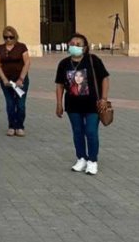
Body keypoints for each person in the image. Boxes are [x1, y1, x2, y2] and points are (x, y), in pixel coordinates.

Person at [55, 33, 110, 176]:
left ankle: (92, 160)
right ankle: (81, 158)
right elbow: (60, 85)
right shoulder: (64, 64)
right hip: (73, 106)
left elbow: (104, 78)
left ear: (85, 48)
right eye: (72, 44)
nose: (74, 46)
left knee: (91, 132)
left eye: (78, 45)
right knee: (78, 132)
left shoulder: (93, 60)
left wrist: (104, 98)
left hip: (92, 105)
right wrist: (59, 104)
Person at [0, 26, 31, 137]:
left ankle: (19, 126)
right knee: (10, 104)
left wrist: (21, 79)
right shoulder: (0, 48)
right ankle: (11, 126)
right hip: (6, 80)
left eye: (11, 37)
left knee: (20, 104)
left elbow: (27, 63)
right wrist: (4, 79)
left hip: (20, 80)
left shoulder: (21, 47)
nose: (8, 40)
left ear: (15, 36)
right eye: (6, 37)